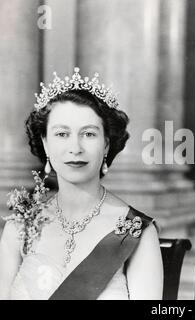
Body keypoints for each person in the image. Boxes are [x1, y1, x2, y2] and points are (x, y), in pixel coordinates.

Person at [0, 68, 163, 300]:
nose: (75, 148)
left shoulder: (135, 232)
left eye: (88, 134)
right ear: (45, 144)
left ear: (106, 145)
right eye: (62, 134)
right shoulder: (19, 227)